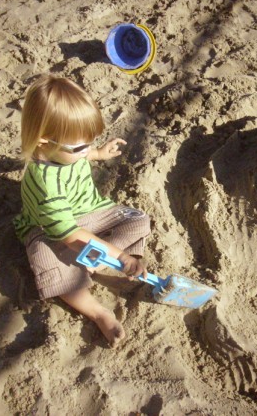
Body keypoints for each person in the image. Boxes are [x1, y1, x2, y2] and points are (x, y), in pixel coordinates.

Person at [13, 74, 151, 347]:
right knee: (51, 271)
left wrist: (98, 153)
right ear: (43, 141)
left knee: (138, 219)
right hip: (49, 231)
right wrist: (120, 254)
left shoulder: (67, 148)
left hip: (89, 211)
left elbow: (83, 150)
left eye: (90, 141)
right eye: (80, 146)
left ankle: (98, 258)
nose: (85, 149)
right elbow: (70, 234)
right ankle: (99, 313)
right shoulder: (45, 187)